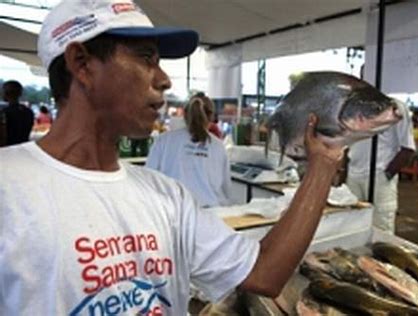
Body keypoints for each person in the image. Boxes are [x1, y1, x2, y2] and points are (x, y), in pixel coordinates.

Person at [0, 1, 344, 315]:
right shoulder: (9, 188)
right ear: (82, 64)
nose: (164, 80)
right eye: (146, 57)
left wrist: (323, 164)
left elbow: (264, 274)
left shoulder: (168, 197)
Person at [146, 92, 232, 207]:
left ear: (185, 114)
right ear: (211, 116)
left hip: (172, 212)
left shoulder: (164, 140)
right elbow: (226, 189)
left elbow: (148, 179)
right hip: (210, 213)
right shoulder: (218, 146)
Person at [345, 99, 416, 233]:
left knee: (381, 229)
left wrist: (386, 175)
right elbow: (348, 143)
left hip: (379, 176)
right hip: (353, 175)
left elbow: (407, 148)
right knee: (352, 226)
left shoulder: (395, 107)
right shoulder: (354, 104)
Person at [0, 80, 34, 146]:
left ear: (6, 93)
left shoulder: (3, 113)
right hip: (23, 148)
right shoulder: (28, 112)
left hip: (7, 150)